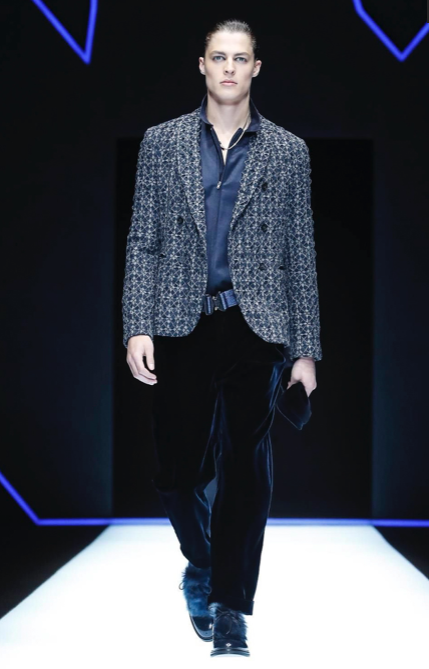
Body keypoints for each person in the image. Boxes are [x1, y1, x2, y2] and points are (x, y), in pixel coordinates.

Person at [122, 18, 322, 658]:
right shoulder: (162, 143)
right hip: (182, 321)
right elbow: (144, 239)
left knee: (246, 471)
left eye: (240, 58)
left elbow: (299, 254)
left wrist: (305, 351)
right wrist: (137, 323)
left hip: (255, 326)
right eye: (219, 57)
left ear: (255, 67)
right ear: (202, 65)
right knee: (178, 473)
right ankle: (203, 562)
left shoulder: (288, 151)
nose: (229, 68)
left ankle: (232, 608)